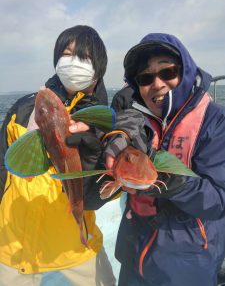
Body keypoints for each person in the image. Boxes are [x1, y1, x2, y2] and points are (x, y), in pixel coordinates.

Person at [103, 33, 225, 286]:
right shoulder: (134, 120)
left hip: (186, 267)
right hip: (133, 255)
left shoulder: (216, 122)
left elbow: (218, 201)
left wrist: (177, 182)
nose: (157, 84)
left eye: (167, 72)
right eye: (146, 78)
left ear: (186, 71)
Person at [0, 25, 116, 286]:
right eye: (66, 54)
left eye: (83, 58)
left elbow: (98, 198)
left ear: (98, 68)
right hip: (11, 250)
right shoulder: (23, 108)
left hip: (75, 253)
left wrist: (90, 161)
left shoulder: (105, 123)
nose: (73, 63)